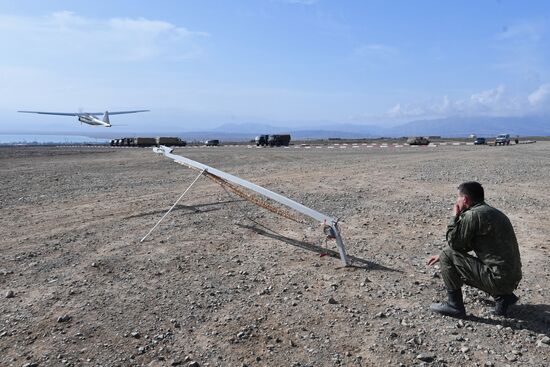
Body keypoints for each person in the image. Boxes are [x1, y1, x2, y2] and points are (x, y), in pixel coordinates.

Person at [427, 181, 522, 317]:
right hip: (511, 277)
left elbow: (454, 243)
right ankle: (504, 298)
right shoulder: (491, 212)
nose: (456, 200)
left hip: (499, 279)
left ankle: (454, 306)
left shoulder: (473, 215)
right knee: (446, 254)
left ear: (465, 199)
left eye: (457, 197)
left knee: (447, 255)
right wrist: (440, 255)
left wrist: (455, 217)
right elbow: (469, 244)